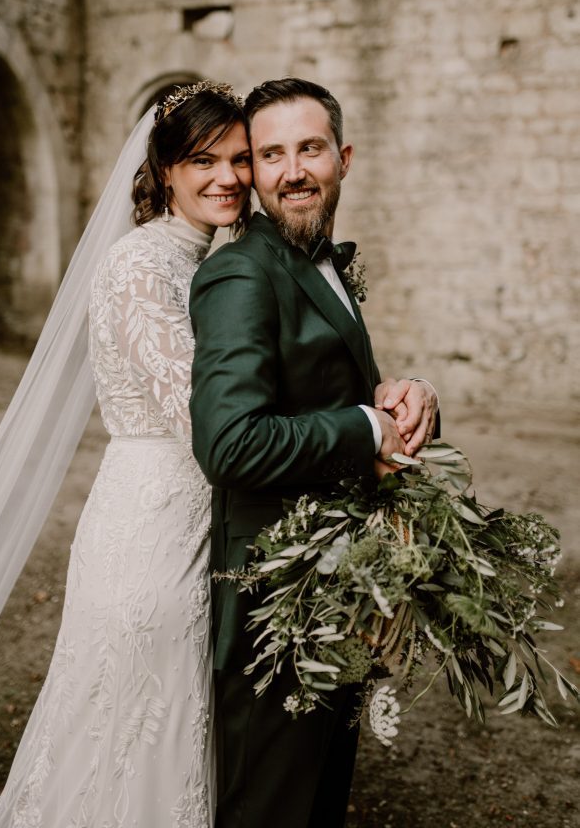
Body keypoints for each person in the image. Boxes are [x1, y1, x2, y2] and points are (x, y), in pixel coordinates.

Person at [0, 81, 252, 826]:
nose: (229, 177)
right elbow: (205, 416)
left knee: (175, 718)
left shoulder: (212, 259)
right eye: (203, 160)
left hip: (204, 518)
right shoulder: (138, 266)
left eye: (240, 159)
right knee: (131, 721)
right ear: (163, 172)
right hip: (152, 526)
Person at [189, 77, 438, 828]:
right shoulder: (241, 272)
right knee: (273, 808)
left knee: (319, 798)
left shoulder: (315, 257)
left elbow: (331, 383)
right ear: (254, 172)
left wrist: (409, 395)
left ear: (344, 157)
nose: (292, 169)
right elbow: (229, 443)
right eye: (271, 154)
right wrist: (365, 429)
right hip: (275, 598)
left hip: (341, 585)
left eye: (310, 148)